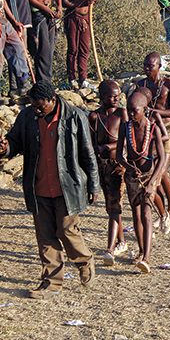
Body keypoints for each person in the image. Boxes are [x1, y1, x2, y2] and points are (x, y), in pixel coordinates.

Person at [0, 80, 99, 298]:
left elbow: (87, 152)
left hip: (68, 186)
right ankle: (51, 282)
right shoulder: (27, 117)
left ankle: (84, 261)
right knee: (45, 236)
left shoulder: (75, 117)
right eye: (33, 105)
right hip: (39, 186)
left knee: (66, 230)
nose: (36, 109)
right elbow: (15, 142)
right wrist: (5, 148)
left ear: (53, 100)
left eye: (40, 106)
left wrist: (93, 184)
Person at [116, 91, 165, 274]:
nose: (131, 114)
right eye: (128, 110)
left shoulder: (153, 129)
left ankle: (147, 257)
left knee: (146, 212)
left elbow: (162, 158)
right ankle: (142, 250)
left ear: (145, 110)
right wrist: (128, 166)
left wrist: (152, 182)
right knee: (136, 214)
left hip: (149, 175)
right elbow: (120, 155)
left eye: (134, 111)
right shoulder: (125, 127)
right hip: (132, 176)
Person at [136, 52, 170, 233]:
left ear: (159, 66)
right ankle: (161, 211)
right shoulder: (141, 85)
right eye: (145, 65)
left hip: (166, 129)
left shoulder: (168, 84)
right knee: (152, 170)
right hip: (148, 129)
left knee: (161, 171)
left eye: (151, 66)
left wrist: (155, 111)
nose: (147, 69)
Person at [89, 80, 128, 266]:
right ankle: (121, 241)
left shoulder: (122, 114)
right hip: (101, 165)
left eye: (118, 95)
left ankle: (110, 249)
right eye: (111, 95)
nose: (116, 98)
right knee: (110, 206)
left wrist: (108, 146)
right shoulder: (95, 117)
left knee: (115, 206)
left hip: (118, 165)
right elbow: (89, 142)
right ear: (102, 97)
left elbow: (127, 140)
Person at [62, 0, 97, 90]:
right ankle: (72, 78)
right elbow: (64, 1)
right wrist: (78, 5)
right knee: (73, 49)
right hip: (72, 17)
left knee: (84, 48)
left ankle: (83, 78)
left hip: (86, 16)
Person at [25, 0, 62, 82]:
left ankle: (47, 81)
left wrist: (59, 7)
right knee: (43, 49)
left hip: (49, 14)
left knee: (49, 49)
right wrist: (43, 8)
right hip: (38, 14)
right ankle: (43, 81)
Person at [0, 0, 31, 98]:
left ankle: (23, 83)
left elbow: (3, 0)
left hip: (5, 22)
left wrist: (14, 20)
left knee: (18, 48)